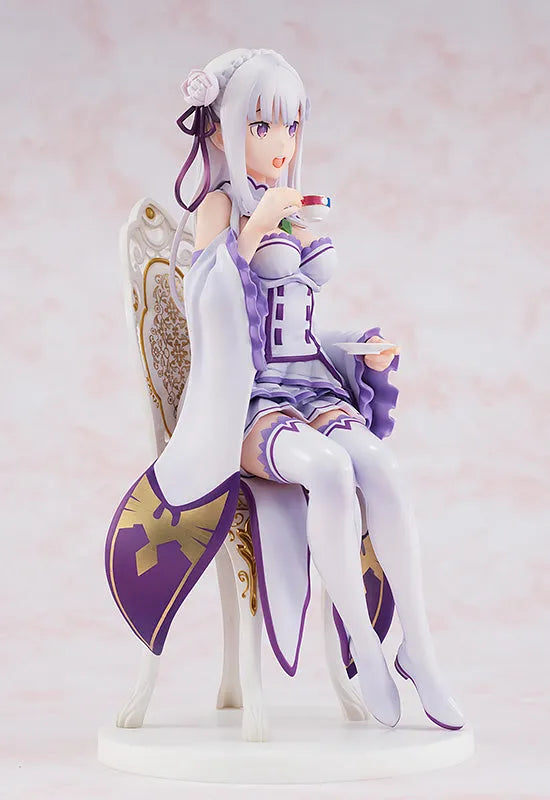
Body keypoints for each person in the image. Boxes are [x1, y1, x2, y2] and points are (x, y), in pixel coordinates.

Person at [106, 48, 464, 730]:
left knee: (379, 465)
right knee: (328, 469)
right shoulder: (219, 208)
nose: (281, 143)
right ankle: (363, 641)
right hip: (246, 403)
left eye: (292, 126)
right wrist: (257, 227)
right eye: (262, 125)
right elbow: (210, 307)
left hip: (310, 386)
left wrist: (359, 347)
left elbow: (297, 325)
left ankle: (417, 646)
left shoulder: (292, 207)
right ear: (221, 130)